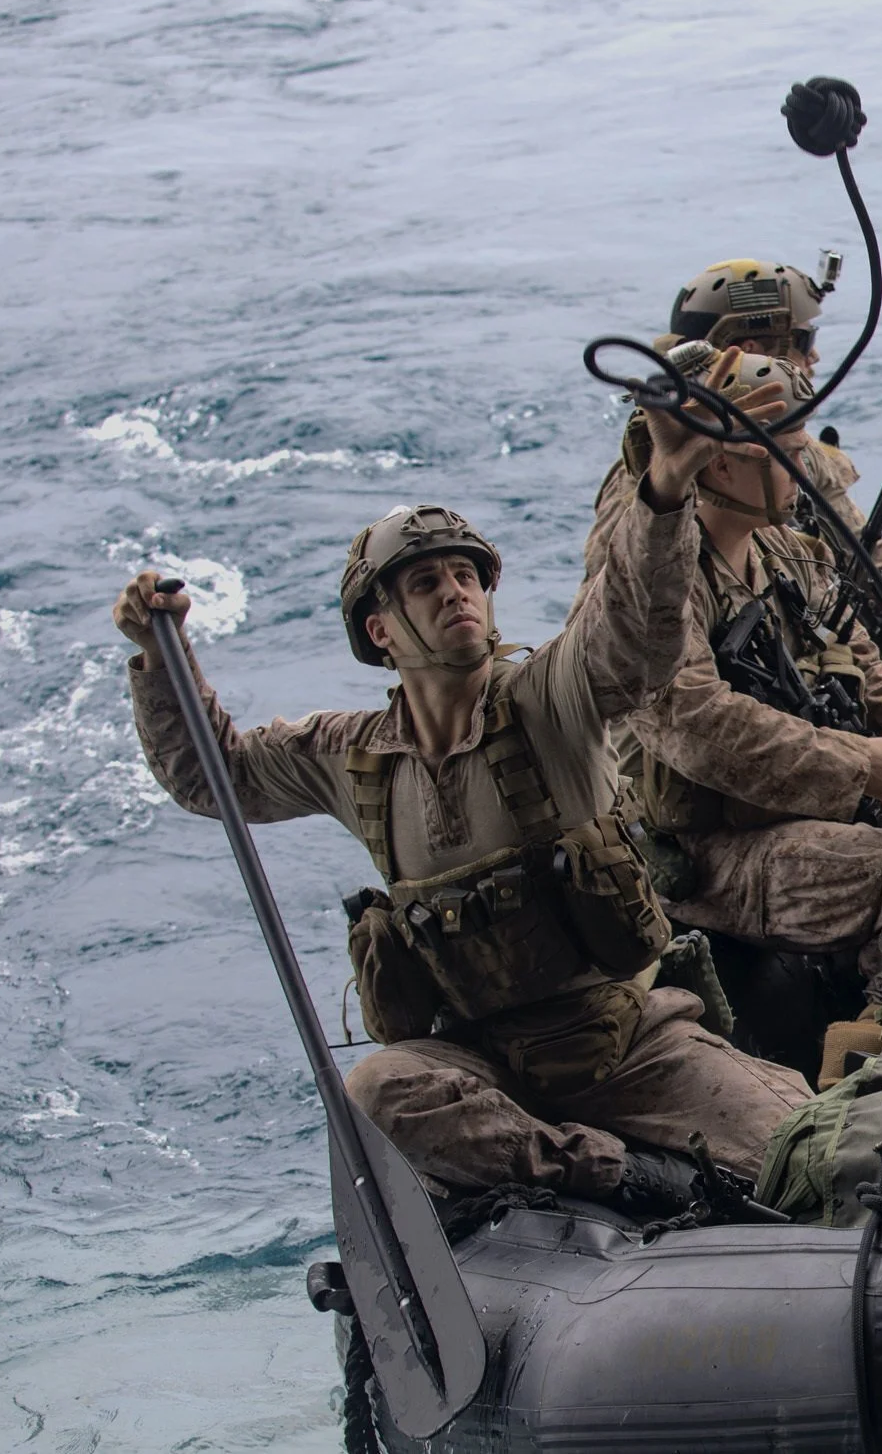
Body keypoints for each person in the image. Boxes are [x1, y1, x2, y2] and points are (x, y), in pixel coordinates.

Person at [113, 401, 812, 1215]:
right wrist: (161, 655)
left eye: (467, 577)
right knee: (377, 1092)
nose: (456, 594)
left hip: (624, 1045)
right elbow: (216, 779)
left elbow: (634, 637)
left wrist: (662, 491)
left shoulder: (550, 694)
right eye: (426, 584)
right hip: (480, 1062)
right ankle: (604, 1172)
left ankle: (620, 1165)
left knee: (809, 1150)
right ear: (381, 629)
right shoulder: (353, 757)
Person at [618, 349, 882, 1010]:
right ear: (721, 464)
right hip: (709, 850)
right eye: (785, 452)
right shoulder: (659, 587)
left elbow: (860, 660)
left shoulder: (785, 551)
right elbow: (696, 724)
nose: (803, 467)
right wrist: (859, 762)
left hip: (811, 797)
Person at [588, 256, 882, 726]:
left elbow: (864, 548)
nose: (814, 358)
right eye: (804, 340)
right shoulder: (649, 482)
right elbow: (622, 609)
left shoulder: (792, 447)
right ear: (750, 349)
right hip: (714, 690)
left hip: (801, 645)